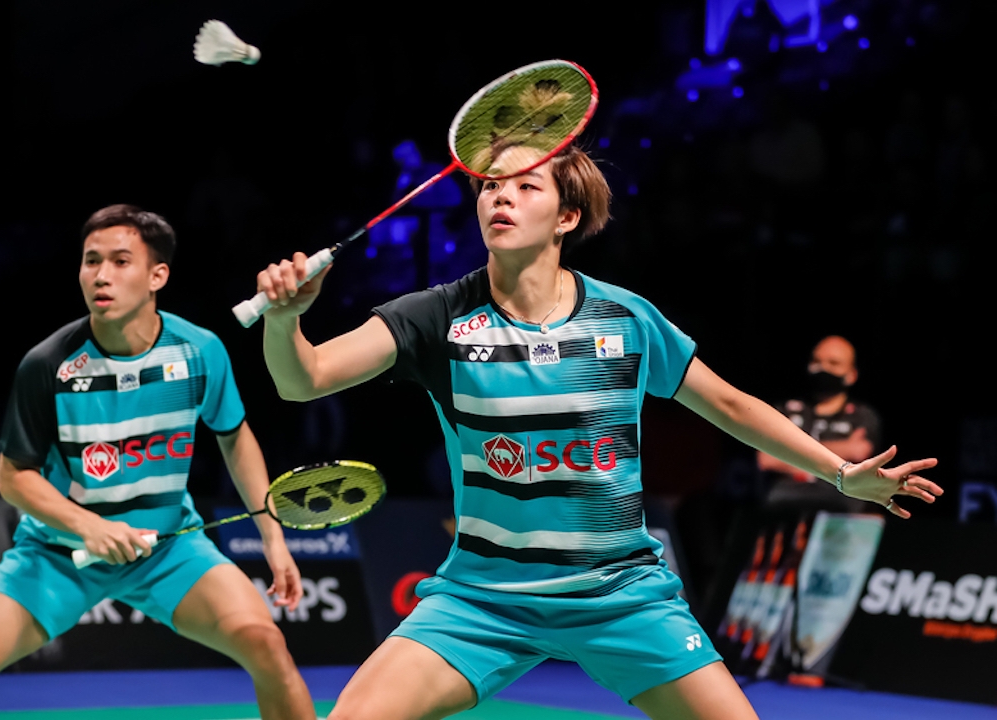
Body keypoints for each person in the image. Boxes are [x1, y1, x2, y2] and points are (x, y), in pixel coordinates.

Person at [252, 144, 942, 720]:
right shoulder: (437, 317)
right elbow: (303, 379)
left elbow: (730, 406)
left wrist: (841, 474)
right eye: (490, 186)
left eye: (526, 186)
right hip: (484, 599)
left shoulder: (625, 318)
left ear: (567, 216)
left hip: (618, 594)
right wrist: (285, 321)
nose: (501, 196)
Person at [0, 205, 316, 720]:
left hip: (167, 547)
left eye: (120, 261)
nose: (101, 275)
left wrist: (272, 537)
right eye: (91, 261)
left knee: (265, 643)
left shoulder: (199, 351)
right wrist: (90, 528)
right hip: (59, 553)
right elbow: (14, 478)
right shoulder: (50, 364)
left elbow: (234, 437)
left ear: (157, 276)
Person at [758, 335, 881, 512]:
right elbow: (767, 459)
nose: (823, 368)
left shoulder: (862, 415)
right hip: (785, 504)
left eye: (833, 363)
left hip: (841, 507)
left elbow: (859, 452)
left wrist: (789, 451)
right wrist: (840, 452)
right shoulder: (786, 410)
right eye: (817, 361)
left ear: (851, 374)